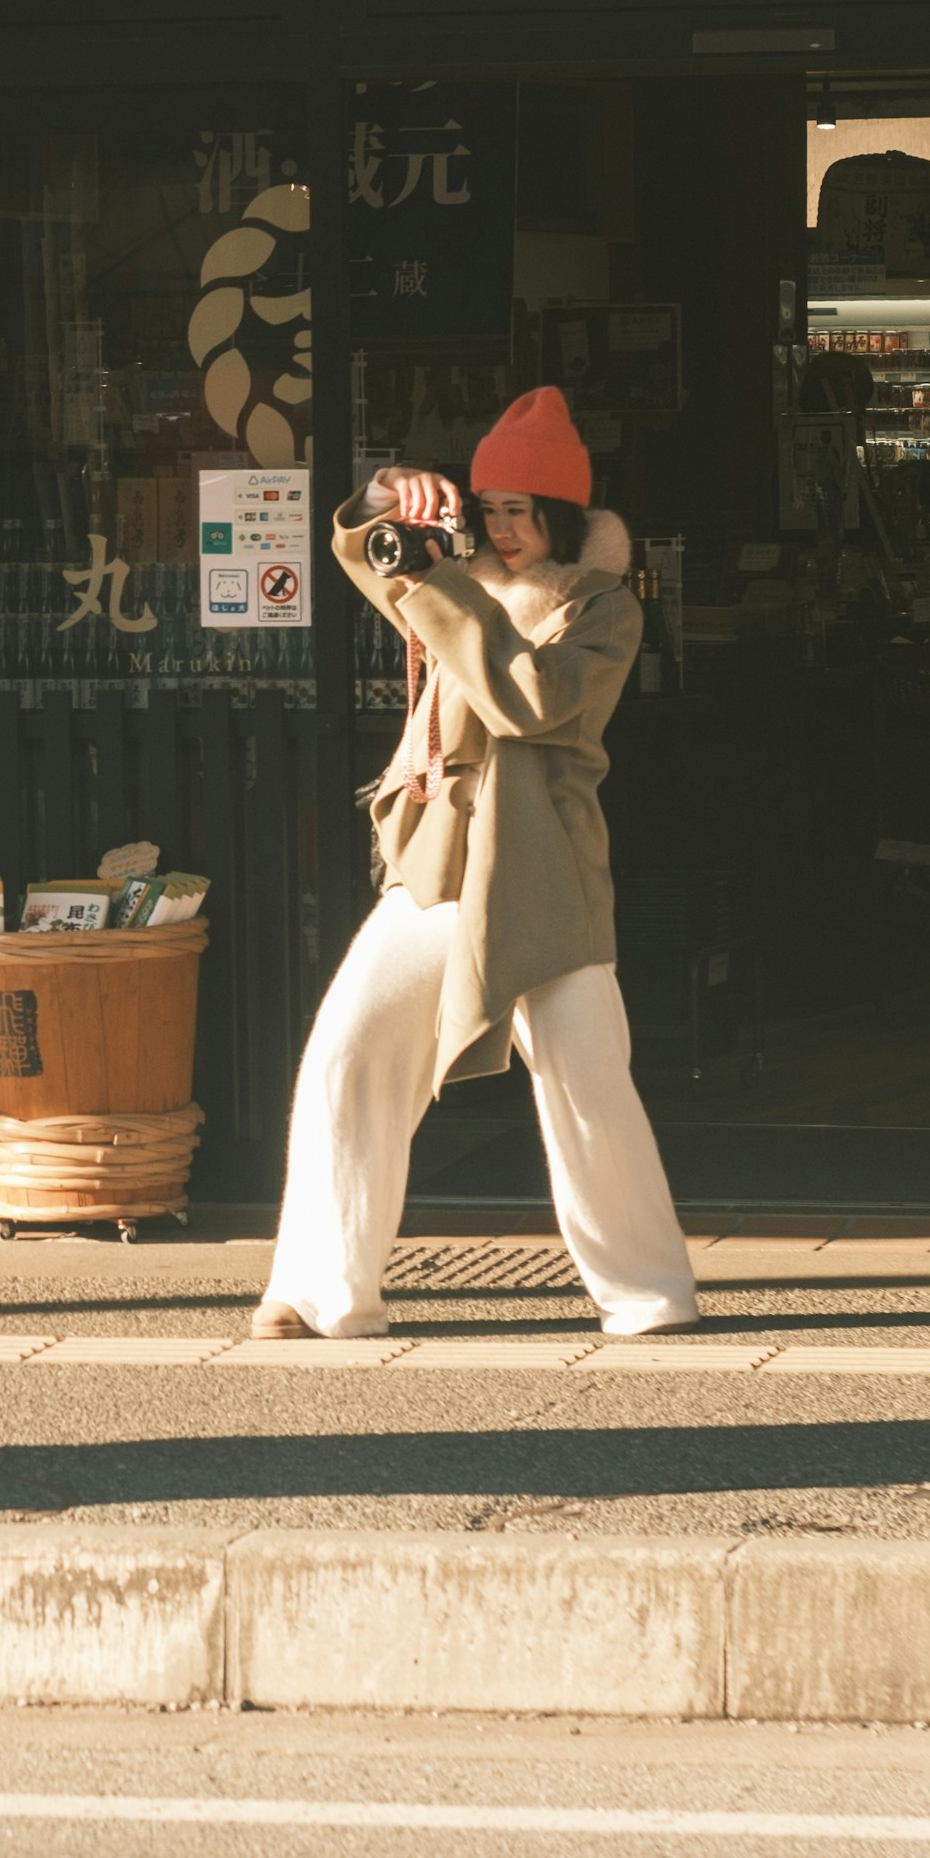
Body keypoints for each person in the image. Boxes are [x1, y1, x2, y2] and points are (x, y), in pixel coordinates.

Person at [255, 386, 700, 1341]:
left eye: (522, 512)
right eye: (488, 509)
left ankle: (649, 1293)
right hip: (440, 864)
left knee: (586, 1088)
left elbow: (525, 703)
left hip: (541, 873)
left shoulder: (603, 608)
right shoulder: (459, 585)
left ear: (564, 517)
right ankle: (320, 1288)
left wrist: (443, 584)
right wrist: (389, 501)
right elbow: (367, 559)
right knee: (350, 1054)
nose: (503, 531)